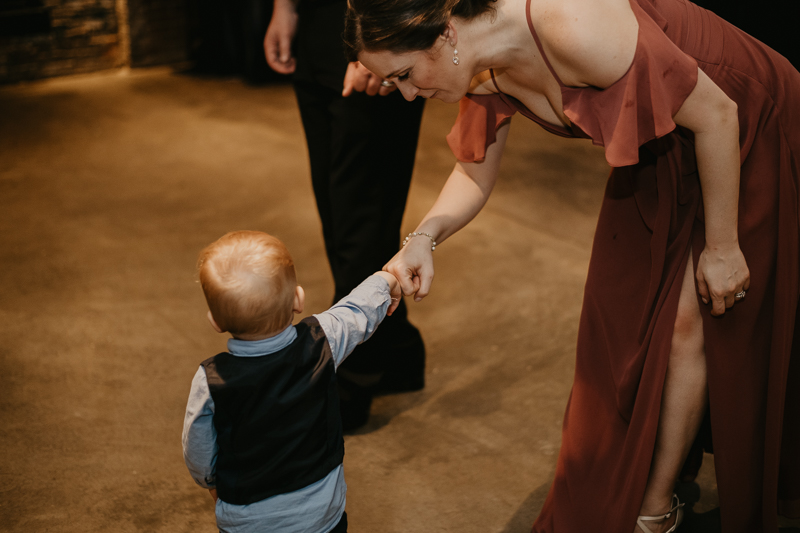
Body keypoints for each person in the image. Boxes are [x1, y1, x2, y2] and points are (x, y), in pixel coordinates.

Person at [344, 0, 800, 531]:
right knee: (619, 331)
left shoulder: (571, 25)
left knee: (687, 321)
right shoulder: (474, 67)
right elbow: (472, 176)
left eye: (403, 75)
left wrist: (723, 248)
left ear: (444, 33)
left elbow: (719, 114)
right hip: (662, 152)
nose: (405, 94)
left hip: (746, 127)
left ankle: (653, 510)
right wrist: (422, 238)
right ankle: (646, 475)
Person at [264, 0, 427, 430]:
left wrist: (380, 41)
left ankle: (354, 377)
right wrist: (287, 10)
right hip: (318, 32)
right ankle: (398, 350)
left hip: (374, 33)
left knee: (363, 218)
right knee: (336, 216)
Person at [182, 230, 402, 532]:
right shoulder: (322, 341)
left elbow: (198, 445)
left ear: (215, 322)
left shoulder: (210, 380)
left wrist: (210, 481)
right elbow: (357, 310)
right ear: (298, 299)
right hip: (322, 513)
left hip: (247, 519)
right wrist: (387, 280)